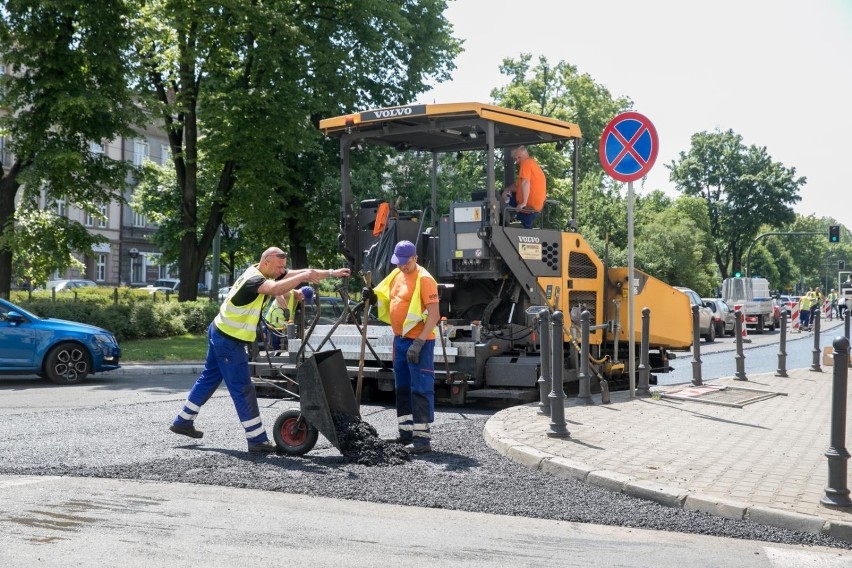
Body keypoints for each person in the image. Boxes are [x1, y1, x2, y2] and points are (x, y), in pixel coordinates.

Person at [170, 247, 350, 453]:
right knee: (242, 387)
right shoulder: (254, 280)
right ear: (266, 263)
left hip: (219, 329)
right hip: (229, 339)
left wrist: (331, 273)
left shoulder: (264, 271)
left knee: (210, 377)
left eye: (283, 266)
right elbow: (274, 289)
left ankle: (183, 421)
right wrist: (304, 276)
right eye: (279, 267)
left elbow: (297, 273)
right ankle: (257, 439)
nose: (282, 270)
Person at [363, 240, 440, 454]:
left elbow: (433, 316)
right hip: (401, 340)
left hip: (420, 343)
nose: (401, 266)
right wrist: (371, 295)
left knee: (420, 388)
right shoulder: (397, 274)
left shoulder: (425, 280)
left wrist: (419, 342)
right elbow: (385, 294)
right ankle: (405, 434)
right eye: (398, 263)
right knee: (403, 387)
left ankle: (422, 440)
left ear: (415, 258)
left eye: (405, 263)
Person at [500, 145, 546, 229]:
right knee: (504, 195)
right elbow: (518, 186)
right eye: (515, 159)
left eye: (518, 157)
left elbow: (525, 183)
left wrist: (523, 203)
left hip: (529, 207)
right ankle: (513, 219)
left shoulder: (526, 163)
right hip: (533, 207)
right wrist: (507, 190)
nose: (517, 161)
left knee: (496, 198)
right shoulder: (532, 164)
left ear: (524, 154)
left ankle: (503, 220)